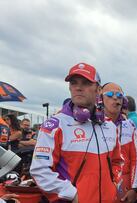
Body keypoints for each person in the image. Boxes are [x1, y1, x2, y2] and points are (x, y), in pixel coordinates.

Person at [30, 63, 122, 203]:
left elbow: (118, 161)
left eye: (85, 83)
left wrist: (113, 185)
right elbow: (40, 170)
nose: (78, 88)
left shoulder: (109, 125)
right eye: (74, 83)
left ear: (98, 90)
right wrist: (72, 195)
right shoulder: (55, 125)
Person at [101, 82, 137, 203]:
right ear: (100, 99)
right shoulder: (93, 124)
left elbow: (135, 159)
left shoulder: (130, 125)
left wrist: (134, 188)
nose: (115, 98)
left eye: (119, 96)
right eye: (110, 95)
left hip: (124, 186)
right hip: (101, 186)